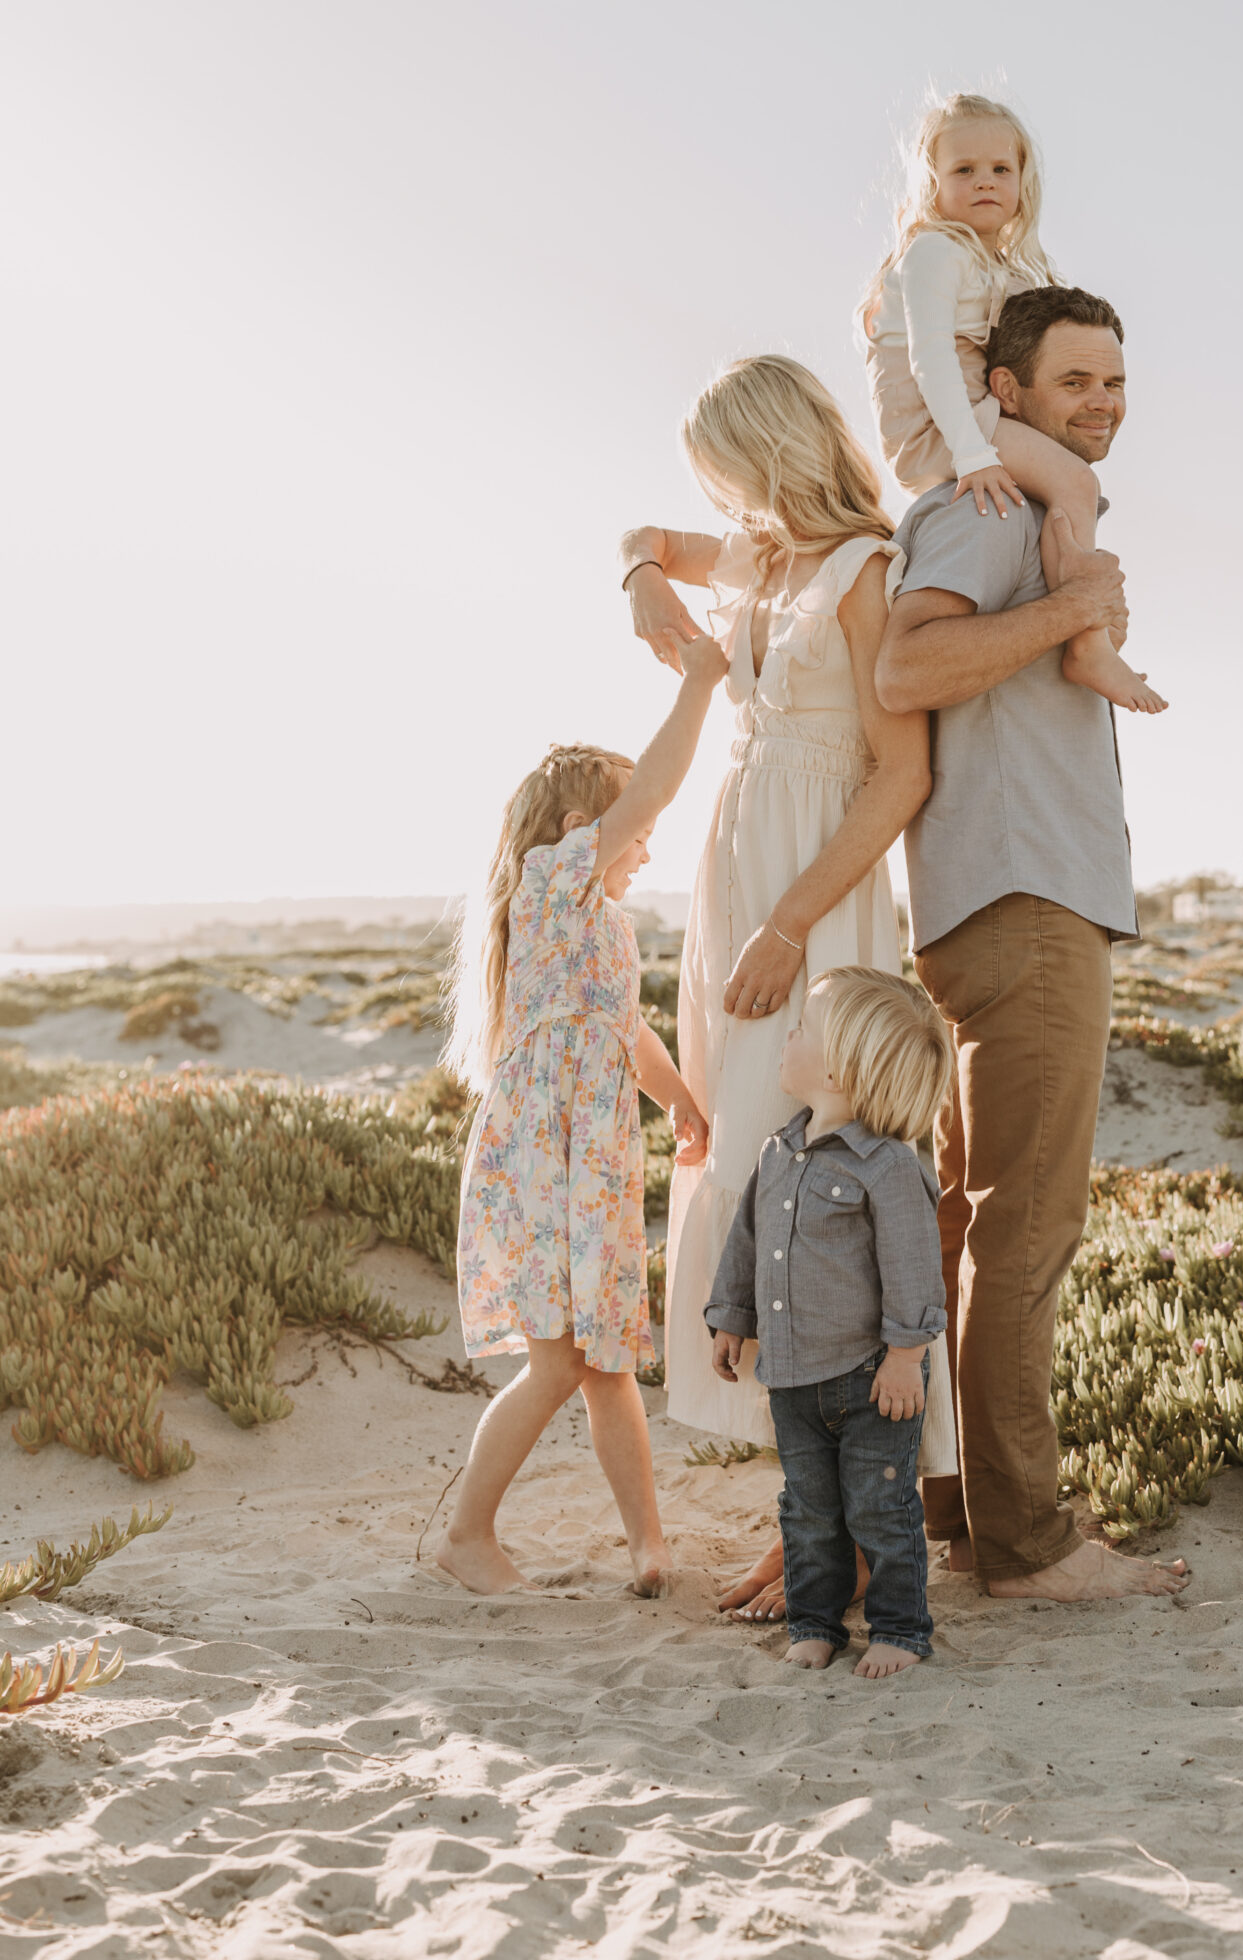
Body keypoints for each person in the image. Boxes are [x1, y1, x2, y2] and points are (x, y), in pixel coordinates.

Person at [619, 352, 954, 1621]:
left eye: (731, 472)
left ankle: (862, 1529)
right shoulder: (756, 558)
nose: (724, 499)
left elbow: (900, 776)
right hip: (736, 874)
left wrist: (791, 923)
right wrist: (642, 576)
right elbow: (641, 534)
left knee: (831, 1191)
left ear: (775, 452)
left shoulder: (868, 570)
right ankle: (810, 1512)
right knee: (751, 1173)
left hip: (816, 893)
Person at [875, 284, 1189, 1606]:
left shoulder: (1018, 508)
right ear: (1001, 392)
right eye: (1073, 381)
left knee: (972, 1227)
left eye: (1112, 381)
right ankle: (1024, 1544)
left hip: (993, 900)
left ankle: (962, 1506)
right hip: (1023, 904)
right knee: (1025, 1231)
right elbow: (908, 670)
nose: (1099, 403)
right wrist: (1068, 618)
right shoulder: (985, 506)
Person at [436, 645, 725, 1596]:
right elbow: (652, 795)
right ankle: (466, 1534)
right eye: (632, 830)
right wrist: (699, 683)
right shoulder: (555, 884)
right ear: (578, 830)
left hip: (588, 1159)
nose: (647, 846)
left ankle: (649, 1545)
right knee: (559, 1365)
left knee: (605, 1363)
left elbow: (625, 1029)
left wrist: (680, 1101)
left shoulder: (602, 920)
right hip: (542, 1162)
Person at [861, 92, 1163, 715]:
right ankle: (1088, 641)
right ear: (932, 184)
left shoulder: (1004, 264)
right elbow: (931, 363)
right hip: (935, 421)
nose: (985, 183)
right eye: (963, 171)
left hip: (968, 413)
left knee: (1064, 486)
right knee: (1076, 483)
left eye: (1001, 169)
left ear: (1024, 179)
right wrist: (973, 455)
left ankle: (1084, 614)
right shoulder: (933, 252)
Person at [706, 967, 953, 1678]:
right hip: (791, 1376)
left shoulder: (886, 1168)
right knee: (808, 1512)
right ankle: (816, 1623)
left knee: (881, 1510)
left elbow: (911, 1266)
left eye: (804, 1028)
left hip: (872, 1379)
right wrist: (731, 1317)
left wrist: (906, 1357)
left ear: (841, 1069)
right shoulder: (777, 1152)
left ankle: (899, 1630)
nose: (789, 1035)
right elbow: (746, 1242)